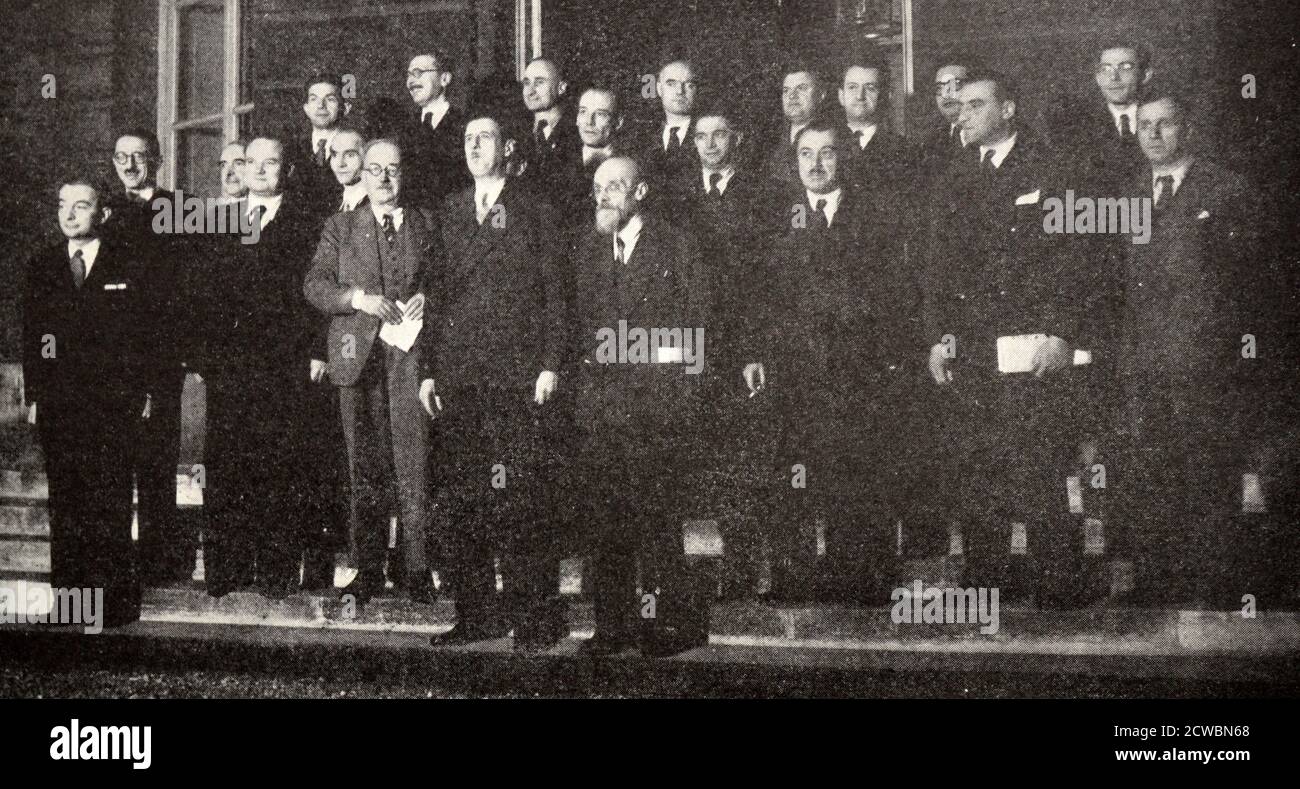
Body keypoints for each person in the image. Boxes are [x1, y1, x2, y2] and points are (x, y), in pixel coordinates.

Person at [921, 70, 1090, 605]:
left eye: (976, 104)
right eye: (960, 105)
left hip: (1033, 347)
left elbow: (1079, 261)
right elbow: (937, 271)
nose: (963, 113)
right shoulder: (952, 178)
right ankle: (984, 586)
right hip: (971, 349)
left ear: (1009, 108)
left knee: (1040, 470)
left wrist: (1065, 335)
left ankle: (1059, 591)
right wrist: (937, 339)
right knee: (977, 471)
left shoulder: (1053, 169)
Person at [744, 120, 914, 603]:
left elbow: (895, 294)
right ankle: (792, 578)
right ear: (794, 160)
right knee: (794, 475)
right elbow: (757, 291)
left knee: (858, 473)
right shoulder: (776, 216)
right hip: (794, 371)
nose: (816, 165)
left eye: (828, 154)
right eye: (806, 154)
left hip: (858, 372)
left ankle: (863, 579)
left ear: (845, 159)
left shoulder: (875, 216)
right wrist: (755, 350)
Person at [421, 107, 569, 653]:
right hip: (460, 378)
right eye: (468, 139)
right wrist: (430, 370)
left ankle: (536, 617)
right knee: (464, 500)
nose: (475, 146)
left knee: (521, 498)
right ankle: (477, 613)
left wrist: (551, 363)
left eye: (486, 138)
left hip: (516, 378)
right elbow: (435, 297)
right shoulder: (451, 209)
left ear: (509, 149)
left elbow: (557, 293)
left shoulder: (535, 211)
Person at [1111, 80, 1264, 605]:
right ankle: (1155, 584)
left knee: (1205, 470)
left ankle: (1212, 586)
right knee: (1149, 470)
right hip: (1142, 361)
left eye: (1166, 123)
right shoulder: (1125, 195)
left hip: (1204, 361)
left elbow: (1248, 285)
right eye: (1145, 124)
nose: (1153, 134)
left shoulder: (1226, 190)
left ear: (1188, 128)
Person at [187, 134, 339, 598]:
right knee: (228, 465)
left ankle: (275, 573)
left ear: (286, 171)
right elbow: (202, 295)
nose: (258, 170)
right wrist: (204, 358)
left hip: (285, 365)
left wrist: (318, 350)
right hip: (232, 367)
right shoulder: (219, 221)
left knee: (279, 467)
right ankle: (225, 570)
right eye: (252, 162)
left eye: (270, 163)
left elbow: (320, 291)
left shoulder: (309, 224)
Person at [573, 156, 712, 658]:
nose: (604, 195)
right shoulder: (588, 250)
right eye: (598, 187)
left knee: (654, 525)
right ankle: (613, 627)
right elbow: (580, 336)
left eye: (616, 186)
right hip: (602, 412)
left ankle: (660, 627)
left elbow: (693, 336)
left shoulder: (677, 245)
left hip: (656, 411)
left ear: (642, 192)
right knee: (606, 524)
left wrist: (641, 353)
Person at [305, 138, 440, 604]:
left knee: (413, 464)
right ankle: (366, 569)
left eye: (393, 170)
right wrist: (359, 299)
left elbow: (442, 278)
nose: (384, 178)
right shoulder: (340, 226)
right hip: (356, 360)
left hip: (407, 360)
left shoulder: (424, 222)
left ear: (403, 175)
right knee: (364, 469)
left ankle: (417, 569)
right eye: (375, 169)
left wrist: (429, 296)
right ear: (361, 174)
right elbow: (315, 286)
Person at [24, 176, 157, 626]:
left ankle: (113, 605)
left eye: (82, 206)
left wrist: (141, 393)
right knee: (67, 503)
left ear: (103, 215)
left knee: (110, 501)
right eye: (64, 204)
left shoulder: (130, 266)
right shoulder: (43, 266)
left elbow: (142, 339)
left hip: (112, 405)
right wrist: (39, 391)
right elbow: (37, 337)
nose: (70, 214)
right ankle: (70, 604)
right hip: (61, 405)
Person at [106, 129, 190, 586]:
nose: (131, 165)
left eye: (139, 156)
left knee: (158, 458)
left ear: (157, 160)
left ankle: (161, 561)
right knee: (115, 461)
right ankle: (118, 561)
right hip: (111, 360)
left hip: (161, 357)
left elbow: (193, 283)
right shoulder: (104, 211)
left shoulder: (181, 207)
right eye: (122, 157)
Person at [399, 47, 470, 209]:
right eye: (409, 75)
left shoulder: (465, 125)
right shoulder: (404, 128)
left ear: (444, 79)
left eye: (418, 72)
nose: (411, 82)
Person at [763, 61, 827, 188]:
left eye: (801, 88)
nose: (792, 96)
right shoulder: (769, 138)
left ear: (820, 95)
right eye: (786, 90)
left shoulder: (833, 137)